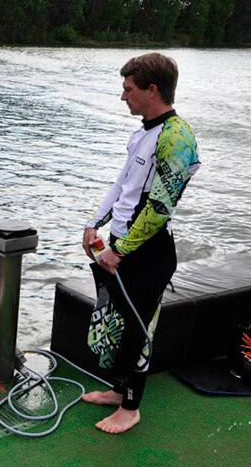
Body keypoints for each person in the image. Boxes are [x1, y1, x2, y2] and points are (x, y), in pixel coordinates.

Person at [81, 53, 200, 433]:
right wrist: (92, 225)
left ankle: (131, 408)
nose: (123, 97)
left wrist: (120, 250)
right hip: (123, 246)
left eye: (128, 89)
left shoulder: (177, 136)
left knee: (138, 329)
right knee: (120, 325)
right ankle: (119, 391)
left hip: (148, 253)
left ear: (152, 90)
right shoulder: (144, 131)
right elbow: (123, 186)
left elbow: (160, 208)